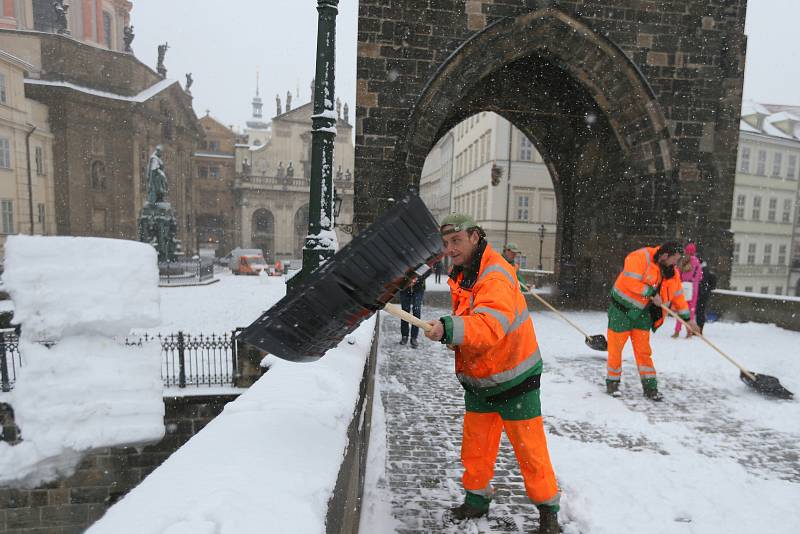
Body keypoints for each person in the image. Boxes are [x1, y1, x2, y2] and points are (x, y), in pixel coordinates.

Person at [424, 213, 560, 533]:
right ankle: (476, 500)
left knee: (530, 451)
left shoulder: (494, 274)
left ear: (475, 236)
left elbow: (488, 326)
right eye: (446, 244)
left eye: (456, 241)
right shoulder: (465, 272)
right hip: (481, 378)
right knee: (476, 445)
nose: (451, 249)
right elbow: (470, 319)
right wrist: (455, 333)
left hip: (516, 379)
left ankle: (548, 512)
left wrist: (450, 329)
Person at [607, 242, 700, 401]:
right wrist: (650, 292)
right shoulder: (640, 257)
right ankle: (613, 383)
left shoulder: (672, 273)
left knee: (644, 352)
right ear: (665, 256)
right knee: (616, 350)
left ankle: (650, 387)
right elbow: (630, 281)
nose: (675, 264)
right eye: (674, 260)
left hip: (643, 314)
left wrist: (688, 320)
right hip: (621, 310)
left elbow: (678, 297)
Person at [672, 243, 702, 338]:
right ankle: (689, 331)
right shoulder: (697, 263)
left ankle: (677, 331)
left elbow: (676, 274)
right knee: (691, 312)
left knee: (681, 309)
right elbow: (700, 277)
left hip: (682, 288)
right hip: (693, 290)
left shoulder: (682, 261)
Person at [399, 277, 425, 349]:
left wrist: (417, 279)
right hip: (404, 287)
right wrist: (406, 279)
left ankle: (414, 337)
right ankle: (404, 336)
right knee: (404, 313)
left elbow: (428, 270)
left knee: (416, 312)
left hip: (418, 288)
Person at [695, 259, 717, 334]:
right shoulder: (706, 270)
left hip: (700, 294)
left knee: (698, 312)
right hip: (704, 294)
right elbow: (713, 283)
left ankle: (698, 329)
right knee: (700, 312)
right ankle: (699, 329)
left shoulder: (700, 270)